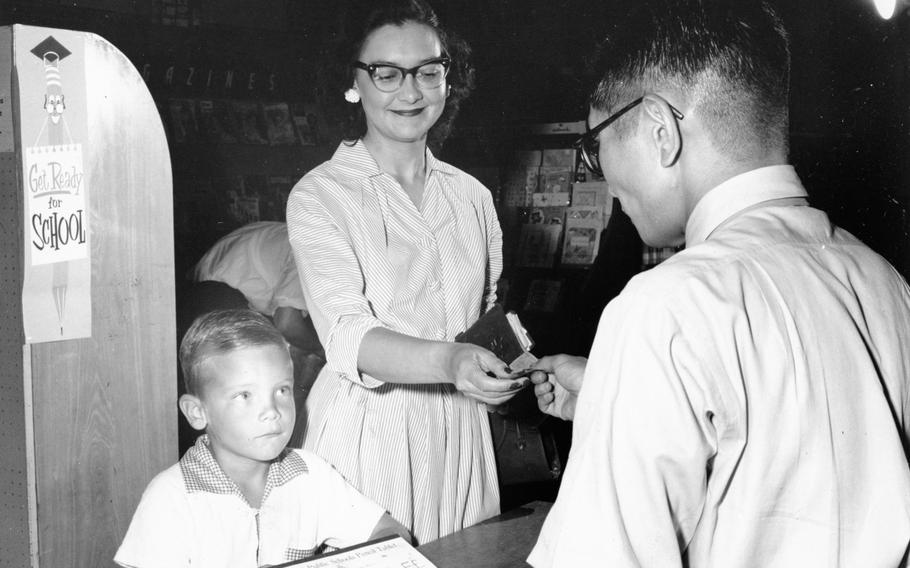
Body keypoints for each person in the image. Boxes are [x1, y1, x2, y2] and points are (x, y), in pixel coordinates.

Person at [527, 1, 910, 566]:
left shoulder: (663, 309)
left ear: (661, 130)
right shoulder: (885, 282)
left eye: (595, 142)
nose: (599, 173)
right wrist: (613, 398)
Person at [286, 0, 527, 545]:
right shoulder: (321, 195)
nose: (411, 91)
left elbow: (484, 319)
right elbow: (347, 334)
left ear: (449, 79)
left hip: (462, 432)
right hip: (371, 431)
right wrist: (452, 359)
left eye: (428, 71)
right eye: (386, 73)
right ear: (353, 83)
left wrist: (510, 368)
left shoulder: (472, 197)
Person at [114, 309, 409, 568]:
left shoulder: (310, 475)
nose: (271, 410)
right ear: (197, 412)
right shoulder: (172, 497)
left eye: (281, 390)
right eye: (245, 395)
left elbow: (392, 534)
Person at [187, 221, 325, 449]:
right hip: (214, 294)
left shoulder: (306, 234)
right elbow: (288, 323)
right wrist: (323, 350)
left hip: (210, 288)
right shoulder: (316, 246)